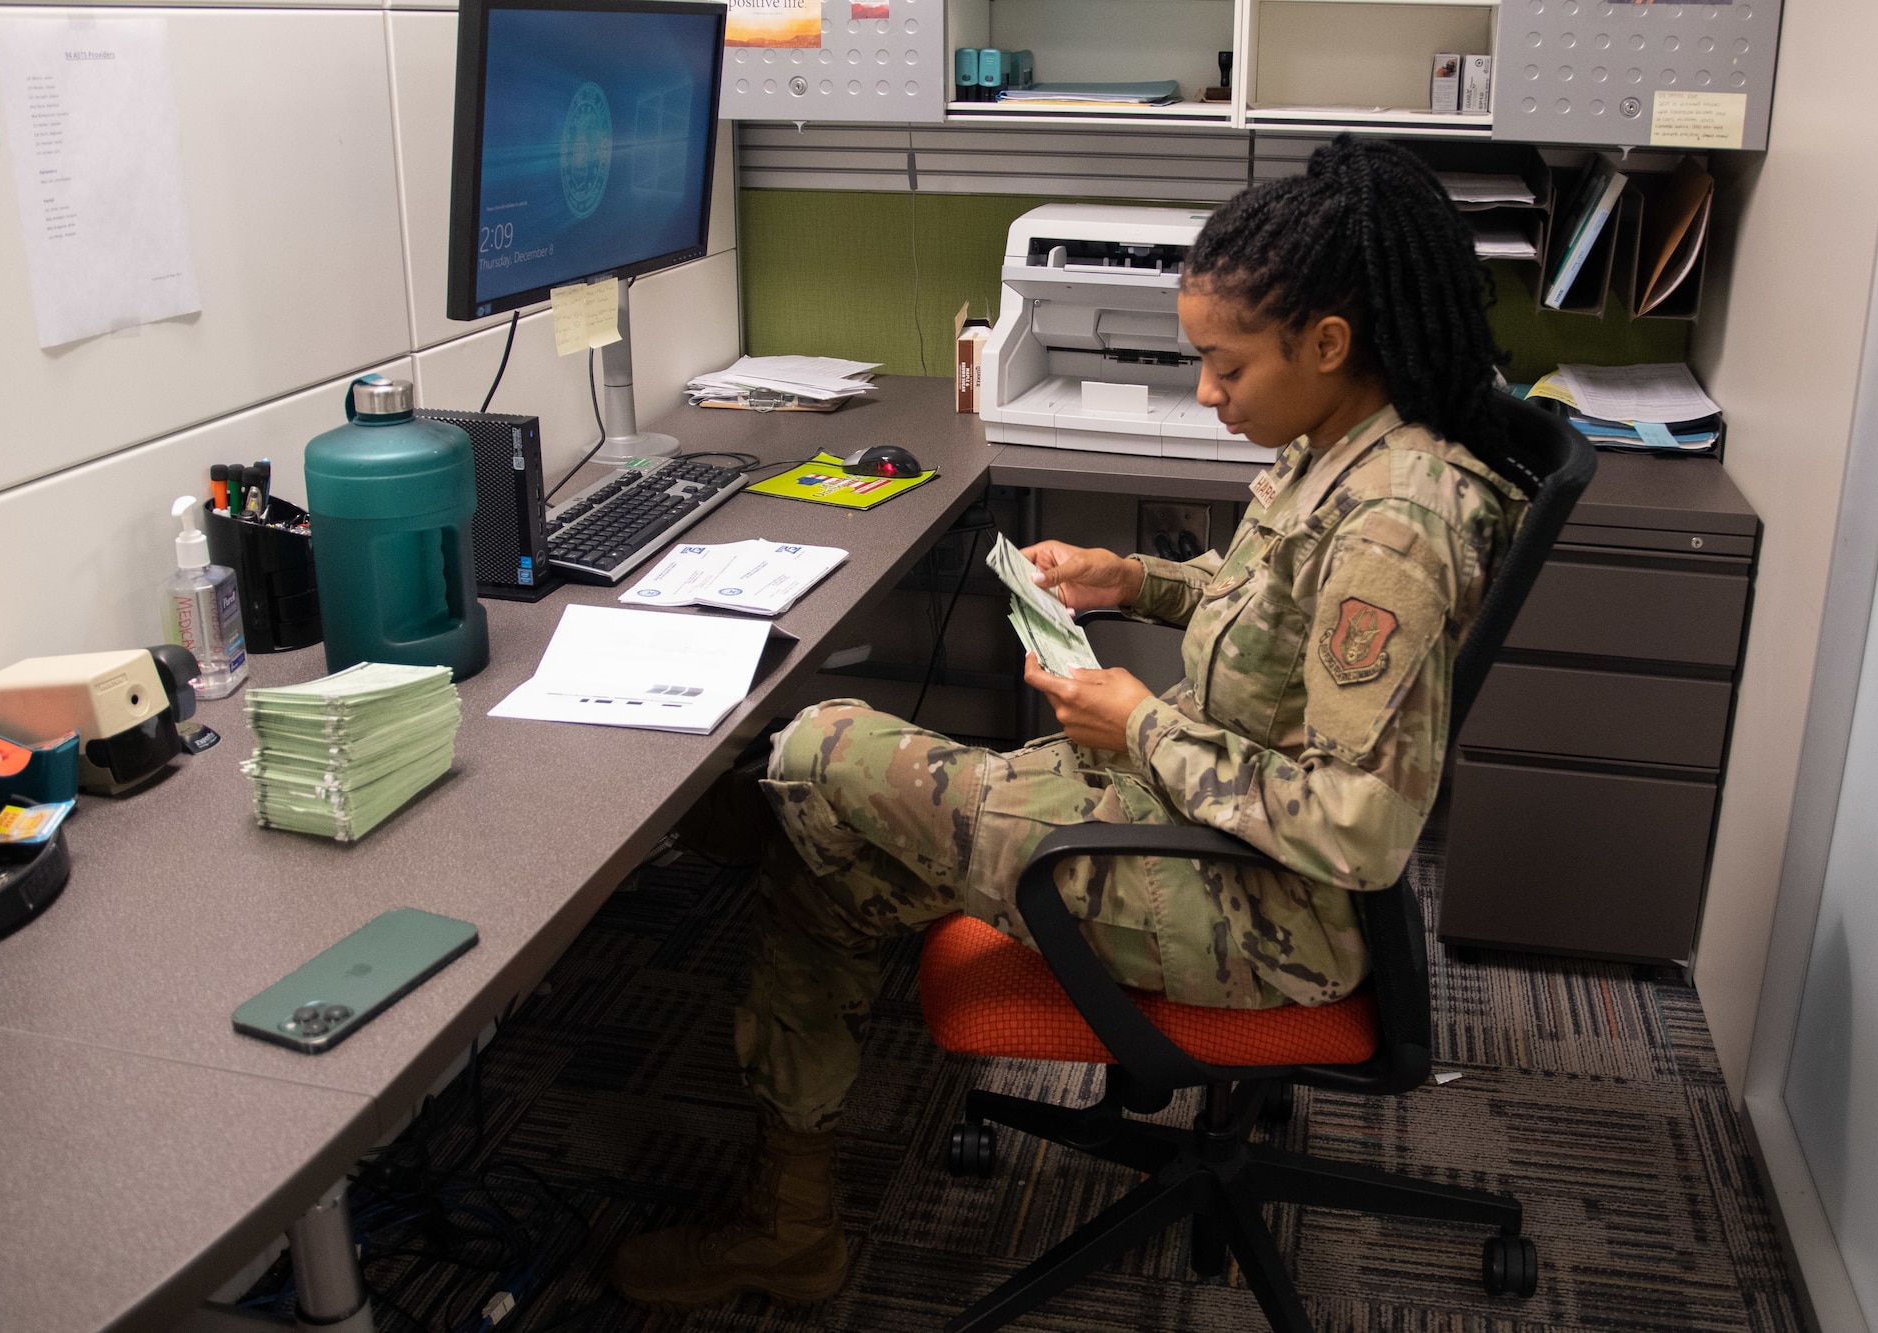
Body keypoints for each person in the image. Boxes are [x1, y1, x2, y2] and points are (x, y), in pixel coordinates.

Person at [610, 136, 1528, 1309]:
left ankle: (760, 827)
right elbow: (1262, 621)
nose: (1206, 392)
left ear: (1329, 342)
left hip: (1261, 914)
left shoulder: (1395, 526)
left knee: (822, 744)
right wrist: (1126, 578)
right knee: (827, 860)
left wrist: (1141, 722)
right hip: (1196, 826)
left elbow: (1358, 831)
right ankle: (792, 1216)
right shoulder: (1343, 446)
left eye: (1223, 366)